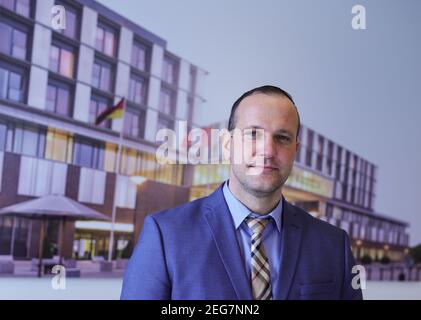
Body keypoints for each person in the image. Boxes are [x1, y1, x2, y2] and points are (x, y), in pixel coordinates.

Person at [121, 85, 363, 300]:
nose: (267, 150)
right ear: (227, 145)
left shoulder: (333, 245)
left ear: (295, 150)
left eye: (282, 137)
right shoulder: (166, 235)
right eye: (253, 134)